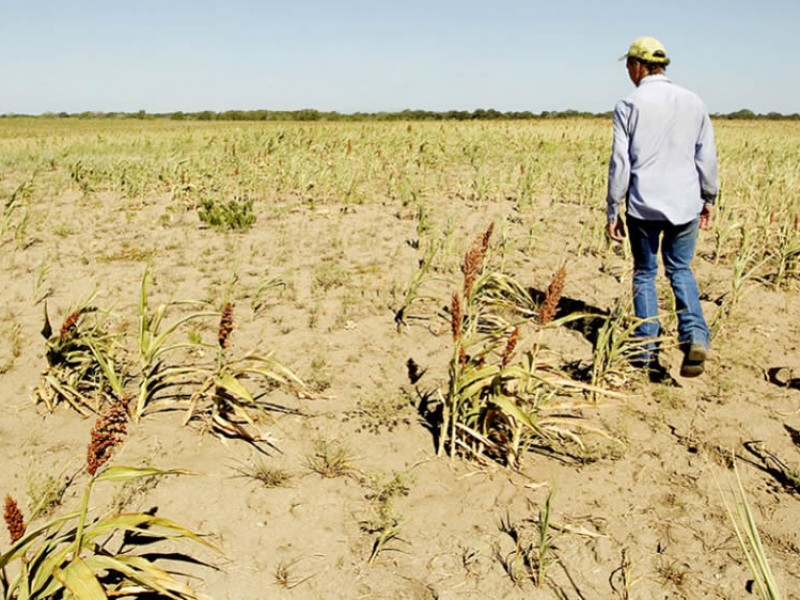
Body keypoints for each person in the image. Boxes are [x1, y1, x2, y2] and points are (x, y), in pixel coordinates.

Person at [606, 36, 719, 378]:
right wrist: (709, 197)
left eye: (628, 64)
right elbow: (707, 156)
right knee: (680, 270)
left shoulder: (628, 104)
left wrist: (613, 208)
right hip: (685, 203)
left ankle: (644, 350)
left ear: (639, 66)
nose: (628, 71)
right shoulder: (693, 101)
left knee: (644, 273)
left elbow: (620, 164)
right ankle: (695, 336)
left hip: (643, 206)